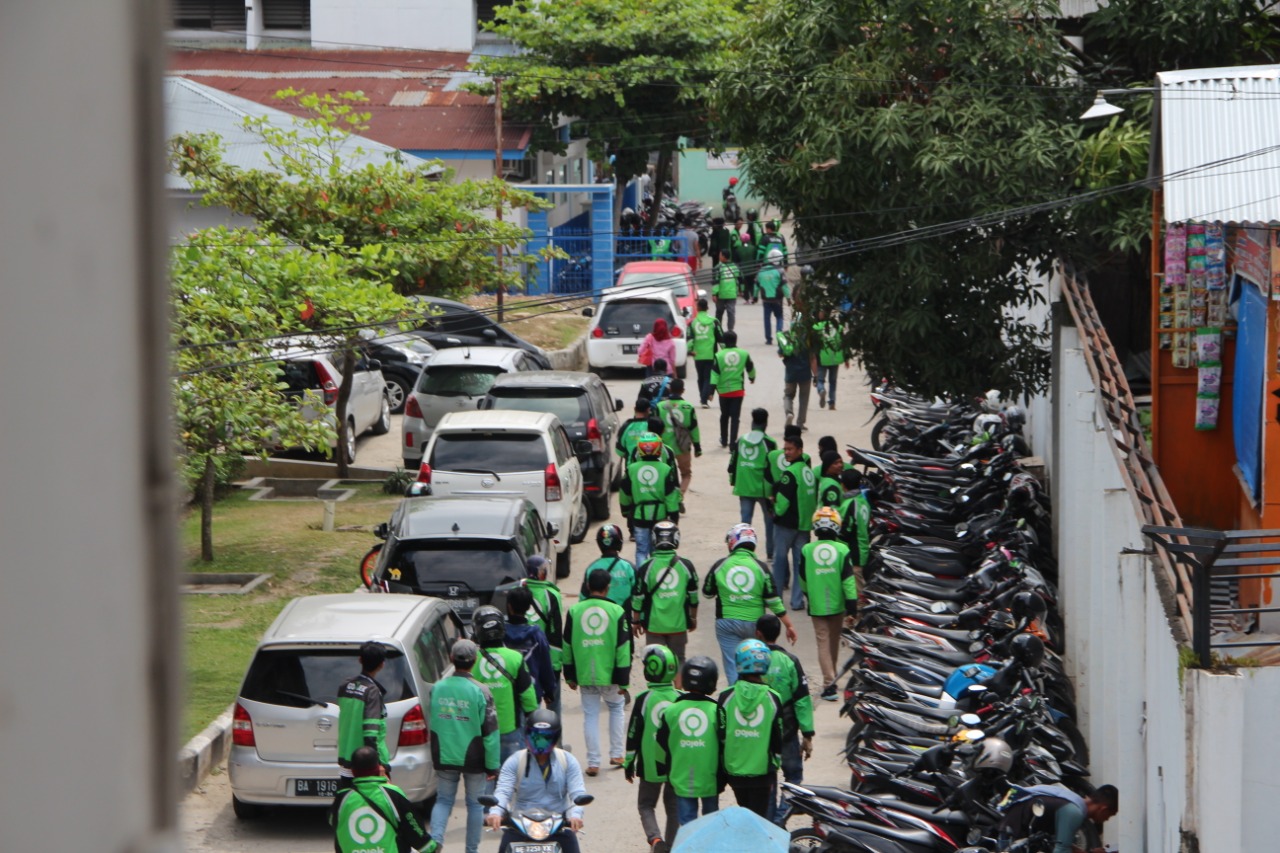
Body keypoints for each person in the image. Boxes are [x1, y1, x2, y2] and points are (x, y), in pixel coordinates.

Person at [429, 639, 501, 853]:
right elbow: (490, 732)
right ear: (475, 660)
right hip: (474, 757)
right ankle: (471, 850)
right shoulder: (481, 691)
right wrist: (492, 766)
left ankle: (435, 841)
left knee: (443, 800)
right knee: (475, 805)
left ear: (451, 658)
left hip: (444, 753)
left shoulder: (437, 688)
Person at [703, 523, 797, 683]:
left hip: (726, 623)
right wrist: (789, 625)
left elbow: (707, 593)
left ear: (732, 543)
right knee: (757, 665)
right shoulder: (761, 567)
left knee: (732, 666)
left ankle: (736, 694)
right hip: (755, 625)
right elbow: (773, 601)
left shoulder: (720, 565)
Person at [485, 710, 589, 853]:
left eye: (545, 738)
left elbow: (577, 792)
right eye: (535, 737)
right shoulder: (515, 761)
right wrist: (496, 813)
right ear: (527, 736)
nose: (540, 742)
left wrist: (575, 816)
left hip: (559, 825)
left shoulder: (568, 761)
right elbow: (503, 791)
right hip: (520, 825)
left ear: (555, 738)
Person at [563, 568, 633, 776]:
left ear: (587, 586)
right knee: (616, 708)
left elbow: (567, 645)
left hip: (585, 673)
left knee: (591, 716)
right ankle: (617, 754)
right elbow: (623, 648)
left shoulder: (575, 611)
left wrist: (570, 675)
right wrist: (624, 679)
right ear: (608, 588)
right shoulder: (617, 611)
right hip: (611, 674)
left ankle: (593, 762)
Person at [755, 613, 814, 824]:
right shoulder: (790, 661)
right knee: (794, 777)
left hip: (761, 732)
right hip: (787, 731)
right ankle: (781, 819)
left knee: (768, 778)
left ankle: (769, 822)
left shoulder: (752, 662)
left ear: (758, 634)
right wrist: (807, 734)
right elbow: (802, 699)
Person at [624, 645, 682, 853]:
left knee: (646, 804)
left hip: (650, 765)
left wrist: (629, 761)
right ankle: (671, 846)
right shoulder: (681, 697)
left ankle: (655, 839)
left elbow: (633, 733)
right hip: (676, 764)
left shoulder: (644, 699)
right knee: (673, 806)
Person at [655, 656, 725, 827]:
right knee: (711, 824)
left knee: (687, 826)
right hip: (710, 779)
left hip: (681, 779)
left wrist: (662, 769)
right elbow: (725, 744)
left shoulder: (671, 710)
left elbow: (660, 744)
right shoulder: (717, 710)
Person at [717, 640, 783, 818]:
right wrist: (775, 764)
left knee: (745, 811)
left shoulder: (725, 697)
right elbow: (777, 737)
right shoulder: (773, 698)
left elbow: (721, 735)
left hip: (734, 772)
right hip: (762, 773)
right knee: (758, 818)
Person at [798, 507, 859, 700]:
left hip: (816, 604)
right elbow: (848, 581)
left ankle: (829, 683)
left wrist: (808, 595)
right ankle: (831, 679)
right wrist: (852, 605)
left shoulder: (807, 550)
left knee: (822, 642)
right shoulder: (842, 550)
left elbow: (802, 578)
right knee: (833, 641)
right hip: (838, 604)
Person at [331, 746, 435, 853]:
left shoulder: (342, 797)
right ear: (378, 768)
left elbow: (332, 820)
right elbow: (412, 826)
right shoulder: (392, 794)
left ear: (352, 771)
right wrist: (429, 847)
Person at [472, 605, 539, 763]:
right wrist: (531, 715)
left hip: (480, 731)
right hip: (510, 728)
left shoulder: (472, 660)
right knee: (511, 772)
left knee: (487, 773)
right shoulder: (515, 658)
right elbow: (527, 694)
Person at [631, 520, 699, 669]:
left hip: (654, 625)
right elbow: (694, 597)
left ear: (654, 539)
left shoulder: (646, 566)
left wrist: (635, 621)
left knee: (656, 663)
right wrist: (693, 618)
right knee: (679, 660)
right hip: (678, 625)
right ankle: (678, 685)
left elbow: (638, 597)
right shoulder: (686, 565)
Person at [996, 784, 1119, 853]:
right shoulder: (1074, 812)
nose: (1107, 819)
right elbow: (1061, 850)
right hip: (1014, 841)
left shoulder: (1071, 800)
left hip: (1011, 832)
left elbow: (1055, 841)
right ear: (1103, 809)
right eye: (1110, 815)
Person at [770, 435, 818, 612]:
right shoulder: (808, 472)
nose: (786, 453)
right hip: (804, 526)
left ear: (800, 450)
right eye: (785, 449)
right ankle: (797, 601)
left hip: (786, 525)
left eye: (790, 449)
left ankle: (777, 601)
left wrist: (774, 511)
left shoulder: (790, 473)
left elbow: (782, 503)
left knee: (779, 562)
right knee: (800, 565)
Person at [620, 432, 682, 565]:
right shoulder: (666, 469)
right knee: (657, 551)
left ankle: (642, 575)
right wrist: (674, 517)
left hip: (639, 516)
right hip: (660, 517)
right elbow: (671, 496)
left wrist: (625, 511)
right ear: (659, 449)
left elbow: (625, 493)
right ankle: (654, 573)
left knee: (641, 551)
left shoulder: (631, 469)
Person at [337, 642, 390, 791]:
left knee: (349, 799)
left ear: (360, 659)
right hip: (367, 763)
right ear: (382, 665)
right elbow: (370, 734)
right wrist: (378, 764)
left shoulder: (345, 686)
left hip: (347, 758)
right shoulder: (372, 691)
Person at [730, 408, 778, 561]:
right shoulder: (770, 443)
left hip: (744, 486)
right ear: (766, 423)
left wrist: (734, 481)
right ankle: (770, 553)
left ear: (752, 422)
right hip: (764, 490)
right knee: (769, 522)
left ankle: (743, 551)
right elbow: (774, 467)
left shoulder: (741, 440)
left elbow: (733, 462)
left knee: (745, 523)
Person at [521, 554, 566, 717]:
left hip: (522, 657)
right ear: (539, 573)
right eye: (543, 569)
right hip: (545, 657)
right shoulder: (551, 595)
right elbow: (555, 633)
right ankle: (555, 733)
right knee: (553, 704)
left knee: (527, 704)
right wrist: (556, 666)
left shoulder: (517, 591)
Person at [504, 585, 558, 710]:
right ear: (529, 607)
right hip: (532, 693)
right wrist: (549, 690)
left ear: (509, 606)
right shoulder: (537, 635)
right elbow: (545, 665)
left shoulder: (500, 634)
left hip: (507, 695)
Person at [711, 330, 756, 448]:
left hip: (723, 392)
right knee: (735, 418)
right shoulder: (744, 354)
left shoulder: (719, 355)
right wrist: (752, 378)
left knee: (724, 415)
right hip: (738, 391)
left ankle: (724, 440)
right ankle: (732, 444)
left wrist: (711, 391)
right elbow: (750, 367)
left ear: (724, 341)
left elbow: (715, 374)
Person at [657, 378, 701, 498]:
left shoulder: (660, 406)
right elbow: (694, 428)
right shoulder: (688, 407)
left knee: (664, 474)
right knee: (686, 474)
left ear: (670, 389)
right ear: (683, 390)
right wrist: (697, 447)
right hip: (682, 447)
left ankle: (665, 496)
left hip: (664, 448)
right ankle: (679, 496)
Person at [581, 524, 638, 610]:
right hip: (624, 614)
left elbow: (583, 597)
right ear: (619, 542)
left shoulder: (591, 568)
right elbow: (638, 595)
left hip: (599, 614)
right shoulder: (628, 567)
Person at [688, 297, 722, 408]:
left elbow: (690, 338)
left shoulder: (692, 322)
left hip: (697, 355)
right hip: (711, 354)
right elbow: (720, 337)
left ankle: (702, 398)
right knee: (708, 377)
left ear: (697, 308)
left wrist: (690, 350)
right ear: (707, 308)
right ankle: (704, 400)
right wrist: (726, 350)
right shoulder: (714, 321)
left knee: (700, 377)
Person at [778, 327, 813, 432]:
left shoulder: (787, 336)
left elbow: (780, 354)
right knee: (804, 399)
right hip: (805, 373)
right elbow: (813, 357)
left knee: (788, 396)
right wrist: (816, 375)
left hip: (790, 373)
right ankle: (800, 424)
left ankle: (789, 413)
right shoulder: (808, 338)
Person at [837, 468, 872, 567]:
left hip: (853, 555)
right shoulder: (863, 501)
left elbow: (844, 532)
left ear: (843, 485)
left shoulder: (849, 504)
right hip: (863, 550)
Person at [812, 310, 844, 411]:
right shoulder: (838, 327)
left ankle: (821, 390)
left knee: (820, 380)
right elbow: (842, 342)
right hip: (835, 357)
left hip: (822, 358)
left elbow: (813, 345)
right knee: (833, 382)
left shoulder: (816, 327)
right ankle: (832, 403)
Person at [757, 246, 788, 345]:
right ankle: (779, 335)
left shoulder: (761, 270)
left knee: (767, 319)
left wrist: (754, 296)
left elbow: (756, 284)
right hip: (777, 300)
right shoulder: (780, 271)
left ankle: (768, 339)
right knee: (779, 317)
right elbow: (784, 286)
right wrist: (789, 298)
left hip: (766, 300)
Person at [712, 248, 740, 332]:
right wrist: (739, 290)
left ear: (724, 257)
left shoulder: (718, 267)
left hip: (721, 294)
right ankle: (730, 330)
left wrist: (714, 293)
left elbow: (716, 282)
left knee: (719, 313)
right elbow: (738, 279)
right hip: (732, 294)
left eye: (720, 255)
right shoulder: (735, 267)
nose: (719, 256)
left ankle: (718, 330)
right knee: (731, 313)